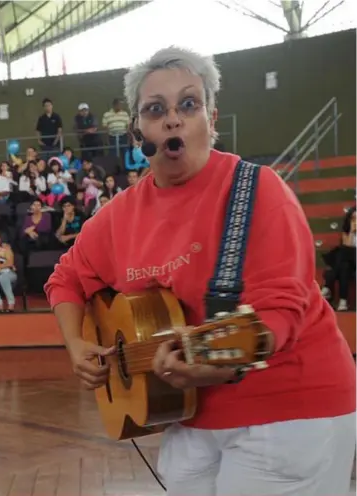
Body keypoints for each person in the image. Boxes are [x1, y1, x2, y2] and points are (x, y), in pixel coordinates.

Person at [44, 46, 356, 496]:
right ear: (137, 130)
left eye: (188, 105)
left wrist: (216, 362)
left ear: (211, 118)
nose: (173, 119)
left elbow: (280, 310)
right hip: (186, 411)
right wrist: (76, 343)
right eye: (155, 110)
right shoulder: (119, 215)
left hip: (288, 406)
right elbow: (66, 278)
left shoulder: (258, 191)